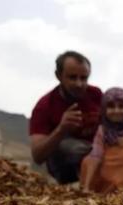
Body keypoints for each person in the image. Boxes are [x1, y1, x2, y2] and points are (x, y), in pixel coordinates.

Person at [29, 50, 102, 184]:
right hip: (66, 167)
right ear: (58, 76)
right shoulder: (44, 106)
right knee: (71, 147)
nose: (79, 84)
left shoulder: (96, 95)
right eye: (72, 78)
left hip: (99, 154)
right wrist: (61, 129)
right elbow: (37, 156)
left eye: (84, 78)